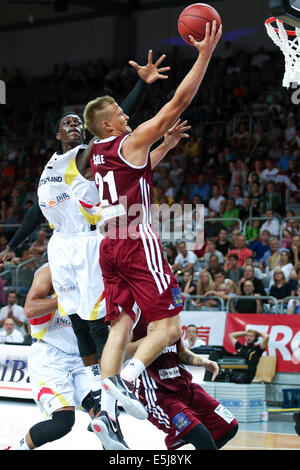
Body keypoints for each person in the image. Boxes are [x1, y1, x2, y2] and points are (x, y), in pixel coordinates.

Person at [0, 52, 173, 419]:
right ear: (56, 133)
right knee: (76, 315)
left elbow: (112, 120)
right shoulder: (50, 167)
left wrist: (142, 84)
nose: (75, 125)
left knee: (96, 318)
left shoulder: (89, 154)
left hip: (91, 239)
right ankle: (96, 381)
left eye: (80, 122)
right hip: (59, 244)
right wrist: (11, 247)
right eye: (67, 123)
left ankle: (108, 385)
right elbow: (36, 212)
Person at [85, 22, 222, 447]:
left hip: (108, 243)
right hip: (134, 238)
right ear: (109, 127)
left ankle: (106, 414)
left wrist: (163, 150)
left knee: (121, 327)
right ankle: (125, 382)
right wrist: (204, 55)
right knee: (168, 327)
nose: (128, 116)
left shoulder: (98, 152)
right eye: (121, 116)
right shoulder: (129, 140)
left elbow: (131, 176)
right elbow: (177, 103)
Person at [7, 263, 99, 451]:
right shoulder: (51, 271)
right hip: (51, 355)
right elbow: (30, 310)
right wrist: (67, 301)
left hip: (83, 357)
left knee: (105, 417)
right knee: (63, 422)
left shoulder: (96, 272)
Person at [124, 313, 238, 451]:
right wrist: (151, 340)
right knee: (200, 434)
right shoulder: (135, 320)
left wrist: (203, 362)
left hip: (186, 388)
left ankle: (185, 434)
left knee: (229, 425)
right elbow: (122, 353)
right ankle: (184, 432)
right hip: (159, 396)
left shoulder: (170, 316)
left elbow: (181, 352)